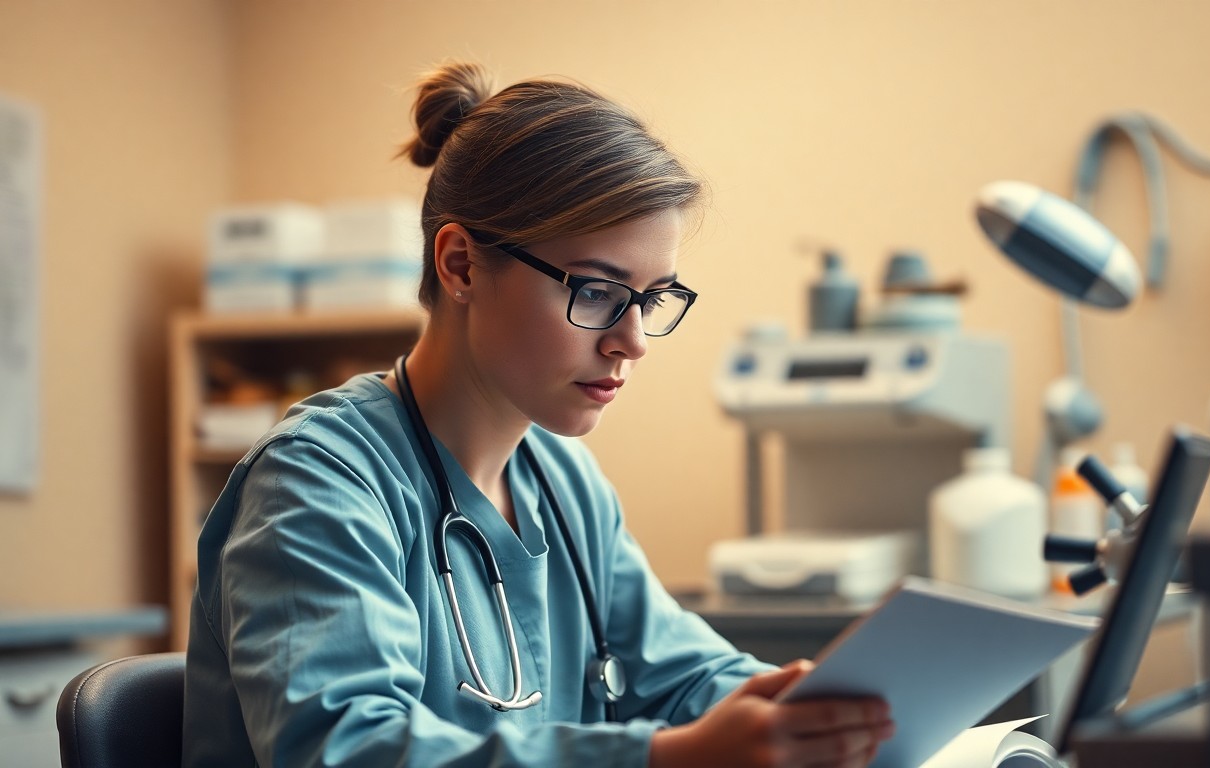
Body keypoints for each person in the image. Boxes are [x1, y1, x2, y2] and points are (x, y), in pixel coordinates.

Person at [183, 60, 894, 767]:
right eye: (596, 291)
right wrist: (667, 759)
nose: (633, 342)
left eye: (651, 300)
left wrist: (814, 718)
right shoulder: (319, 480)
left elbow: (684, 678)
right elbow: (349, 749)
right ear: (461, 265)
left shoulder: (563, 482)